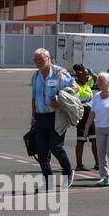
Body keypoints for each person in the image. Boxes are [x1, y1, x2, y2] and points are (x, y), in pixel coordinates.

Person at [30, 48, 75, 188]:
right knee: (42, 151)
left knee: (56, 147)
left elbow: (74, 89)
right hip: (40, 116)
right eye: (36, 60)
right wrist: (33, 115)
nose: (38, 62)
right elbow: (33, 97)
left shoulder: (59, 73)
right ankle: (47, 181)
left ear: (49, 58)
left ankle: (68, 172)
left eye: (41, 60)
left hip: (57, 115)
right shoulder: (35, 76)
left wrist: (61, 99)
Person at [72, 64, 99, 173]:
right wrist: (84, 73)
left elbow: (96, 78)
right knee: (81, 140)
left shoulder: (87, 83)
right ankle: (79, 164)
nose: (87, 75)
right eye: (83, 72)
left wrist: (90, 72)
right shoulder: (75, 85)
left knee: (94, 139)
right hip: (82, 113)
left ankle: (98, 163)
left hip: (91, 113)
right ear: (79, 74)